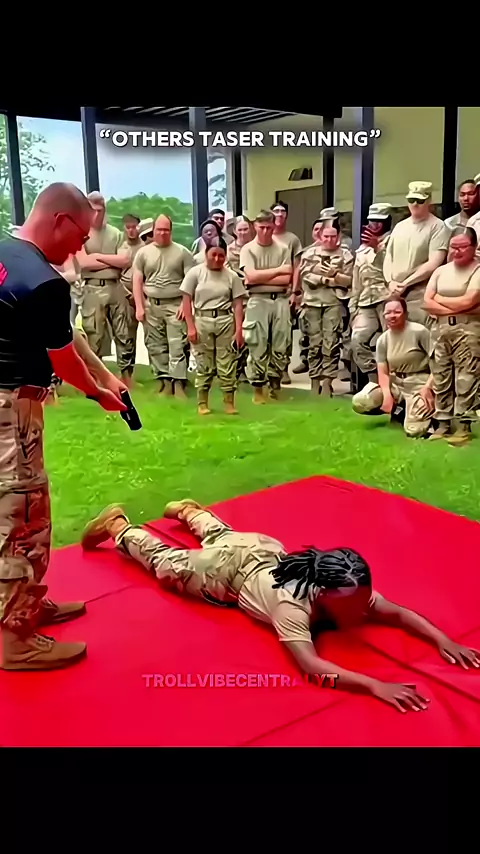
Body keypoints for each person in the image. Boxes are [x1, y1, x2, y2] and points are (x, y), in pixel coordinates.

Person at [82, 499, 480, 713]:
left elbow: (399, 612)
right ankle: (120, 526)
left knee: (224, 535)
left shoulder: (351, 588)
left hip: (261, 548)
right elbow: (311, 668)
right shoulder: (292, 606)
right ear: (321, 593)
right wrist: (374, 684)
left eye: (364, 599)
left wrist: (444, 640)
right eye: (354, 604)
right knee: (167, 564)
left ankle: (189, 511)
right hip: (227, 573)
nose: (365, 608)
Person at [0, 182, 127, 671]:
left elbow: (64, 334)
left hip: (7, 402)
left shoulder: (7, 255)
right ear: (60, 221)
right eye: (80, 235)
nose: (81, 247)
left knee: (22, 512)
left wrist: (106, 375)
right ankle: (15, 638)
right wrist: (97, 392)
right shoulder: (43, 280)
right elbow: (63, 358)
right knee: (21, 518)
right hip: (13, 410)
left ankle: (27, 602)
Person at [423, 227, 480, 446]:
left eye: (462, 247)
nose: (457, 251)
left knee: (466, 377)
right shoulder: (441, 271)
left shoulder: (477, 271)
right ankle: (443, 424)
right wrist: (455, 307)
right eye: (453, 247)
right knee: (441, 376)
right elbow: (427, 302)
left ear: (474, 247)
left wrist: (440, 300)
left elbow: (470, 300)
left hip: (468, 330)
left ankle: (464, 425)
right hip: (440, 330)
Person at [352, 297, 435, 438]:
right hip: (396, 383)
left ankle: (429, 415)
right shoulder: (383, 340)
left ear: (405, 313)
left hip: (419, 383)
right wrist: (386, 395)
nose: (392, 316)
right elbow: (383, 371)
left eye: (397, 312)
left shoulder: (420, 332)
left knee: (415, 431)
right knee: (361, 401)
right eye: (388, 312)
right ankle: (399, 411)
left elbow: (438, 364)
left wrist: (428, 388)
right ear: (383, 315)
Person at [132, 214, 195, 398]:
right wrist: (139, 306)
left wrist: (185, 305)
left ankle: (178, 383)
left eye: (166, 230)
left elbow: (190, 282)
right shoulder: (143, 253)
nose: (162, 233)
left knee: (177, 345)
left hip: (175, 304)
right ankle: (164, 381)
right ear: (153, 230)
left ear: (171, 231)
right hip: (152, 305)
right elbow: (137, 280)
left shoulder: (182, 252)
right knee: (156, 345)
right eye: (159, 230)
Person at [181, 239, 246, 415]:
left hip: (225, 321)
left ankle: (229, 402)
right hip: (202, 320)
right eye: (213, 255)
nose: (217, 259)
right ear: (206, 254)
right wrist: (190, 326)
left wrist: (239, 330)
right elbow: (186, 301)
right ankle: (202, 403)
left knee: (227, 363)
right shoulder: (195, 273)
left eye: (221, 255)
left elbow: (238, 304)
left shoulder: (232, 276)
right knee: (204, 363)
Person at [77, 192, 135, 385]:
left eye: (100, 210)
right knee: (94, 333)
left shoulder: (115, 233)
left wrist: (97, 257)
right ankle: (96, 377)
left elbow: (125, 260)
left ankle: (126, 375)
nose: (97, 214)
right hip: (92, 289)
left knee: (123, 333)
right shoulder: (81, 233)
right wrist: (111, 261)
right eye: (93, 210)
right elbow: (83, 262)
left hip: (115, 287)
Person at [239, 210, 293, 403]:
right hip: (257, 300)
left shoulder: (283, 248)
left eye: (269, 228)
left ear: (273, 226)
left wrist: (261, 277)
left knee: (281, 343)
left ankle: (275, 386)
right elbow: (250, 277)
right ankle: (258, 388)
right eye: (261, 227)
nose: (265, 231)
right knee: (257, 344)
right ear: (255, 227)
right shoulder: (248, 249)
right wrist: (278, 271)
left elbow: (287, 279)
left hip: (280, 300)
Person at [297, 224, 353, 396]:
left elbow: (350, 280)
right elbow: (306, 276)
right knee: (314, 344)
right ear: (320, 237)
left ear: (338, 237)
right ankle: (315, 380)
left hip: (334, 303)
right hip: (312, 303)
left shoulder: (345, 255)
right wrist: (326, 280)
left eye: (333, 236)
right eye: (326, 236)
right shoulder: (309, 254)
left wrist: (336, 275)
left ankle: (328, 381)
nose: (329, 240)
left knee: (331, 343)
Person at [383, 181, 449, 327]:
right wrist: (390, 281)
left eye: (420, 200)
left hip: (419, 292)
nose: (415, 204)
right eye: (411, 200)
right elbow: (388, 257)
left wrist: (406, 283)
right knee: (392, 334)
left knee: (417, 333)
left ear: (429, 201)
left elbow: (434, 262)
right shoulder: (400, 226)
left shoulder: (438, 226)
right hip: (393, 292)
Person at [350, 203, 392, 383]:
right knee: (357, 340)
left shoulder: (393, 242)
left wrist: (378, 248)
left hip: (387, 299)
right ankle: (374, 379)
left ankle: (392, 383)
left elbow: (391, 270)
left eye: (378, 221)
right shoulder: (362, 248)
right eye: (371, 221)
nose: (374, 225)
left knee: (391, 342)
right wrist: (353, 307)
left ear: (387, 222)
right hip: (365, 301)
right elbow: (357, 280)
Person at [226, 215, 255, 383]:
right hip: (237, 298)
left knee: (252, 335)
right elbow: (227, 272)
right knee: (236, 333)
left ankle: (249, 369)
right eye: (240, 230)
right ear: (235, 232)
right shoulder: (229, 250)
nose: (243, 232)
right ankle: (237, 370)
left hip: (254, 296)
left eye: (246, 229)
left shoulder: (255, 248)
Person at [119, 213, 143, 382]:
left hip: (143, 295)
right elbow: (116, 275)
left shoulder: (145, 248)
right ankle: (126, 373)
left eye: (134, 227)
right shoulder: (120, 248)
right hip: (125, 295)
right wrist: (128, 295)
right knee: (127, 335)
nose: (131, 230)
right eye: (128, 227)